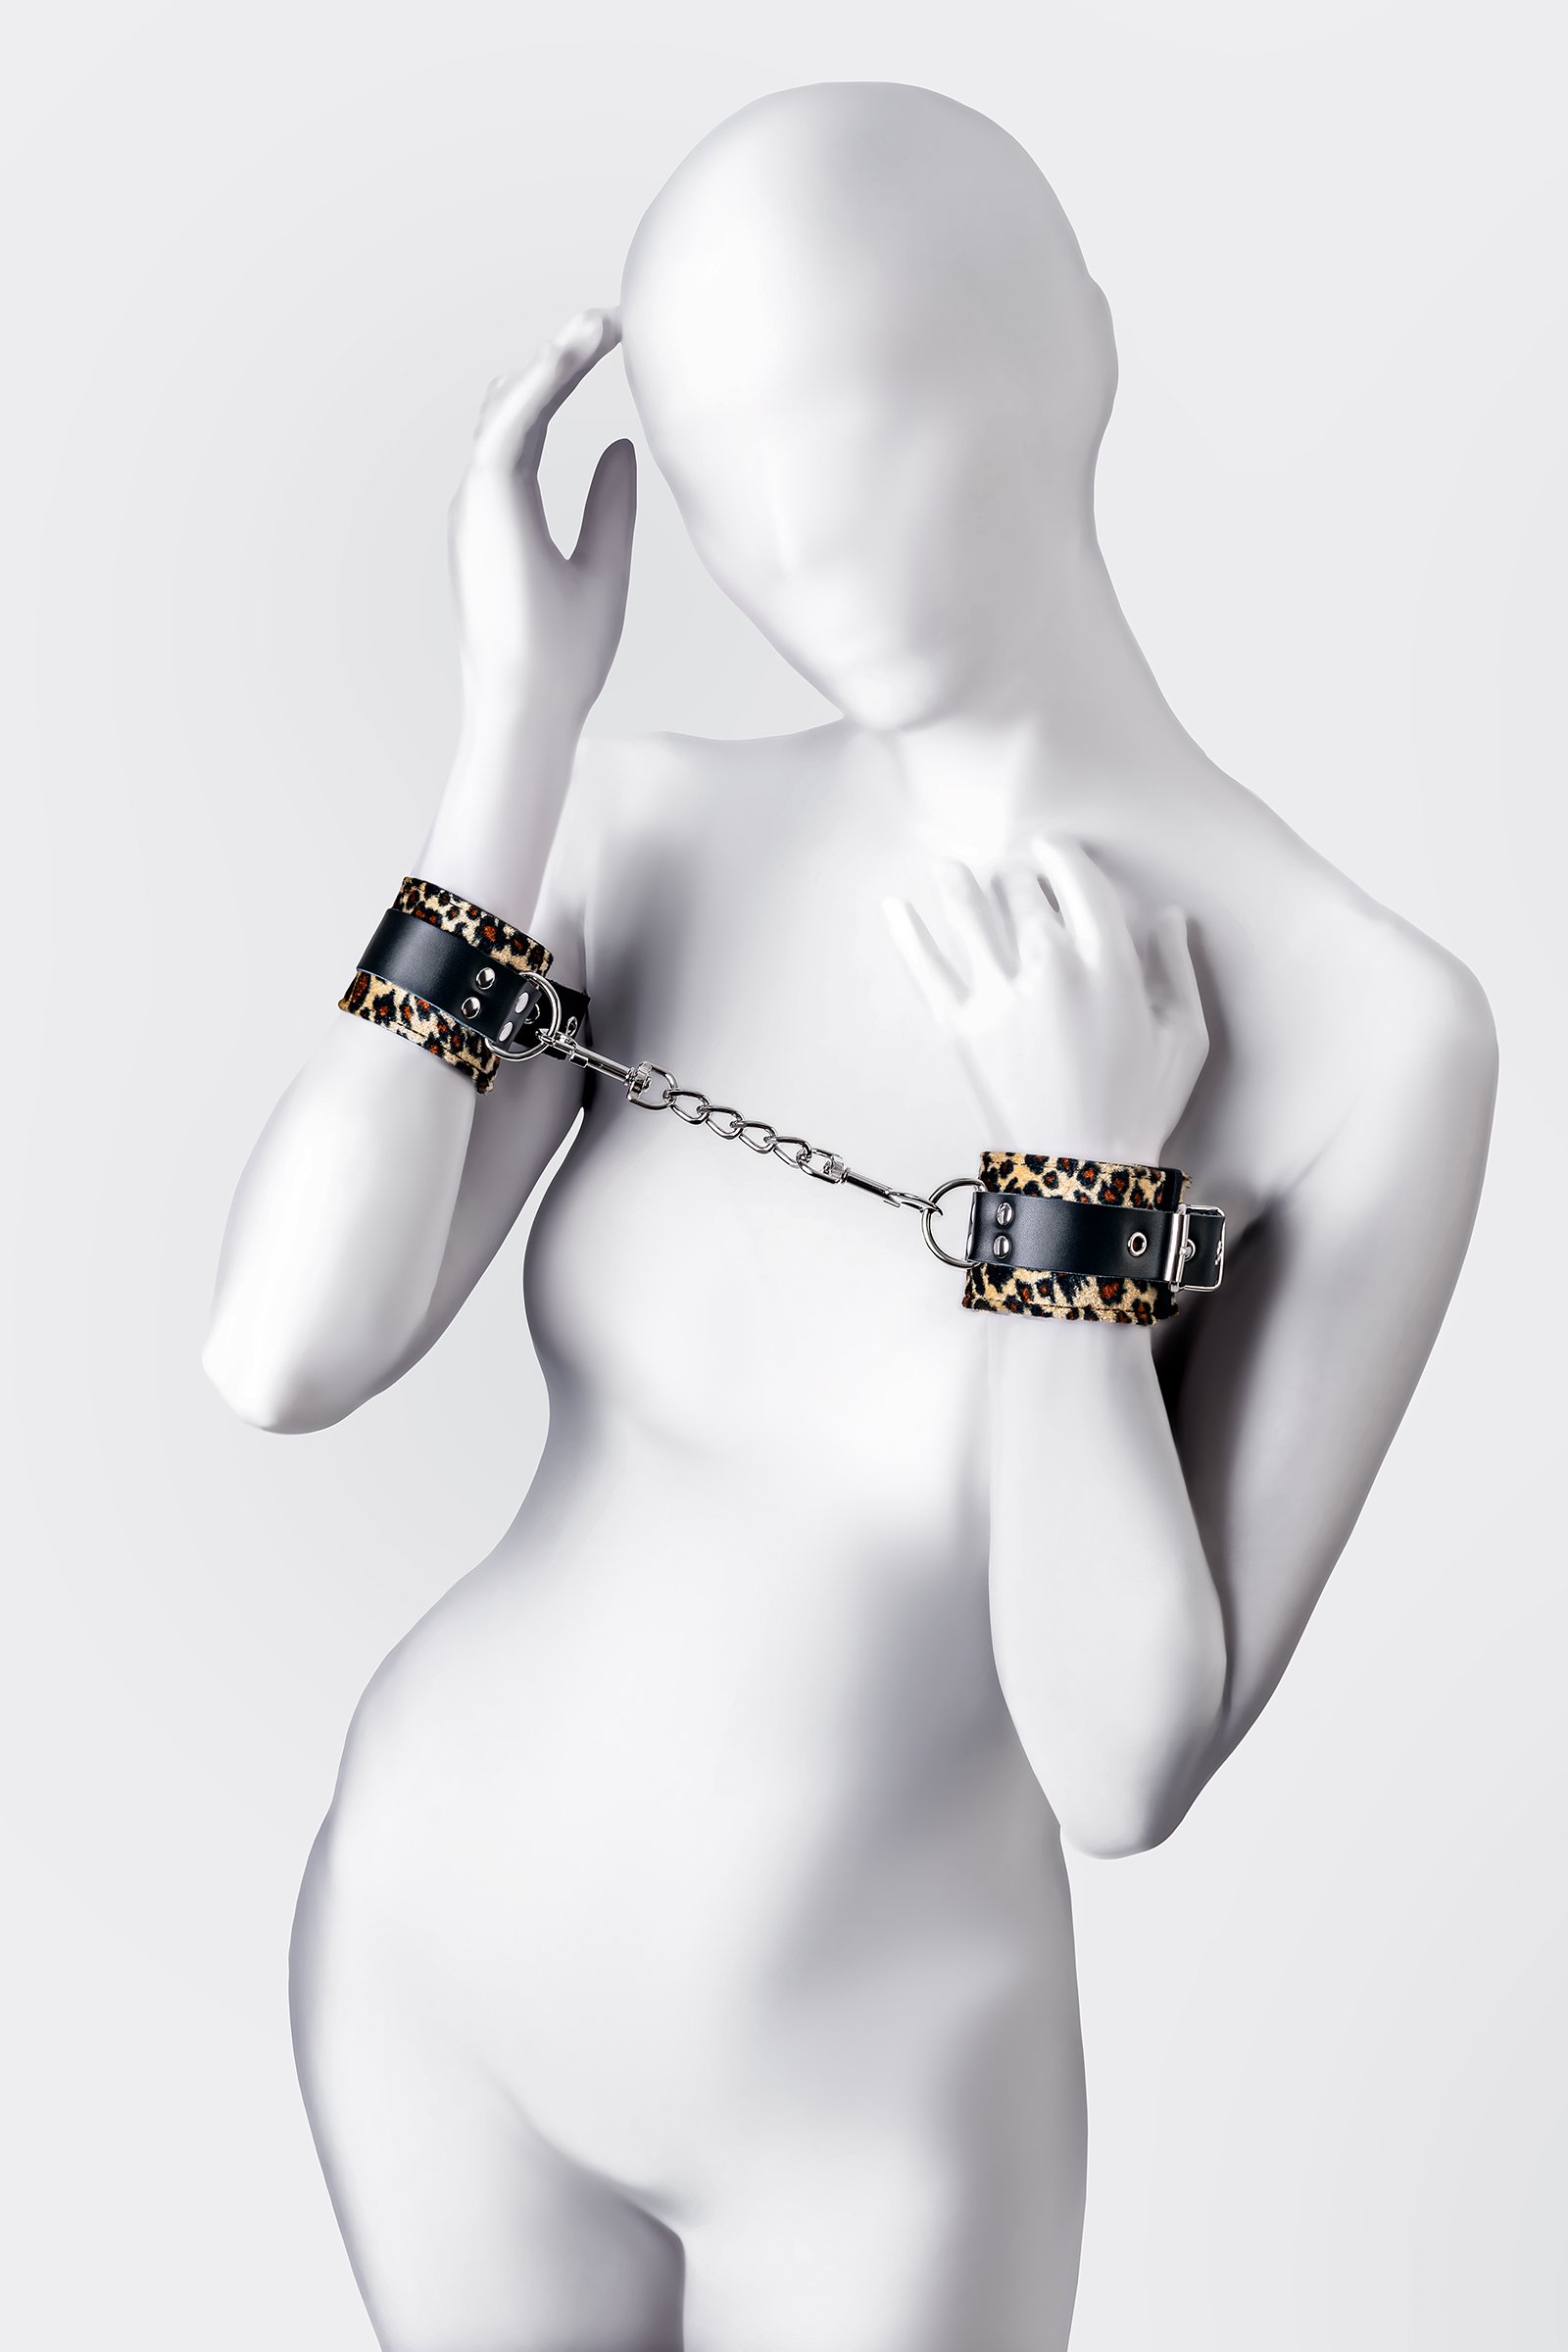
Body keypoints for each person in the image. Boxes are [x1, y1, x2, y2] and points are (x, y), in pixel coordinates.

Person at [205, 82, 1495, 2352]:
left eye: (857, 414)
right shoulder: (639, 830)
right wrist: (511, 735)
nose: (796, 536)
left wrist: (1073, 1195)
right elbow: (281, 1354)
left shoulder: (1366, 1031)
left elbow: (1116, 1761)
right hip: (435, 1955)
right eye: (721, 474)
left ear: (1066, 358)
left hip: (873, 2105)